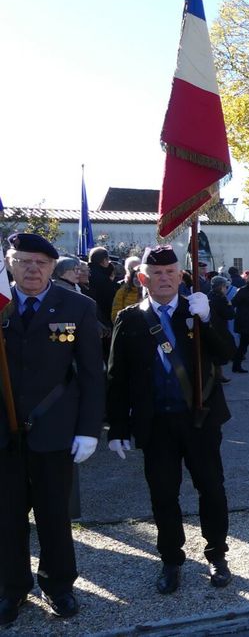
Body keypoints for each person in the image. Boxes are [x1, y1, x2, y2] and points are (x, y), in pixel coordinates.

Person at [106, 245, 238, 595]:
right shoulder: (131, 318)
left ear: (181, 276)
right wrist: (117, 427)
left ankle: (217, 555)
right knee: (163, 495)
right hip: (156, 424)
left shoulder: (198, 310)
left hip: (200, 420)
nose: (164, 279)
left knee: (211, 489)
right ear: (143, 278)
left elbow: (228, 352)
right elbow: (116, 378)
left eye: (171, 272)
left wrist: (208, 319)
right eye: (156, 273)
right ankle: (171, 560)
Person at [0, 233, 103, 625]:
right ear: (9, 262)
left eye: (41, 263)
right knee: (6, 517)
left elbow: (92, 374)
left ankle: (59, 585)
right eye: (24, 261)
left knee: (53, 515)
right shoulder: (0, 303)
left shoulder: (77, 306)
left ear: (51, 267)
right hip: (3, 434)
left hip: (55, 430)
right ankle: (12, 588)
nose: (32, 269)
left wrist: (89, 429)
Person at [111, 255, 144, 322]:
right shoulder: (122, 290)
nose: (134, 270)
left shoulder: (150, 291)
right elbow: (115, 316)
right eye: (131, 268)